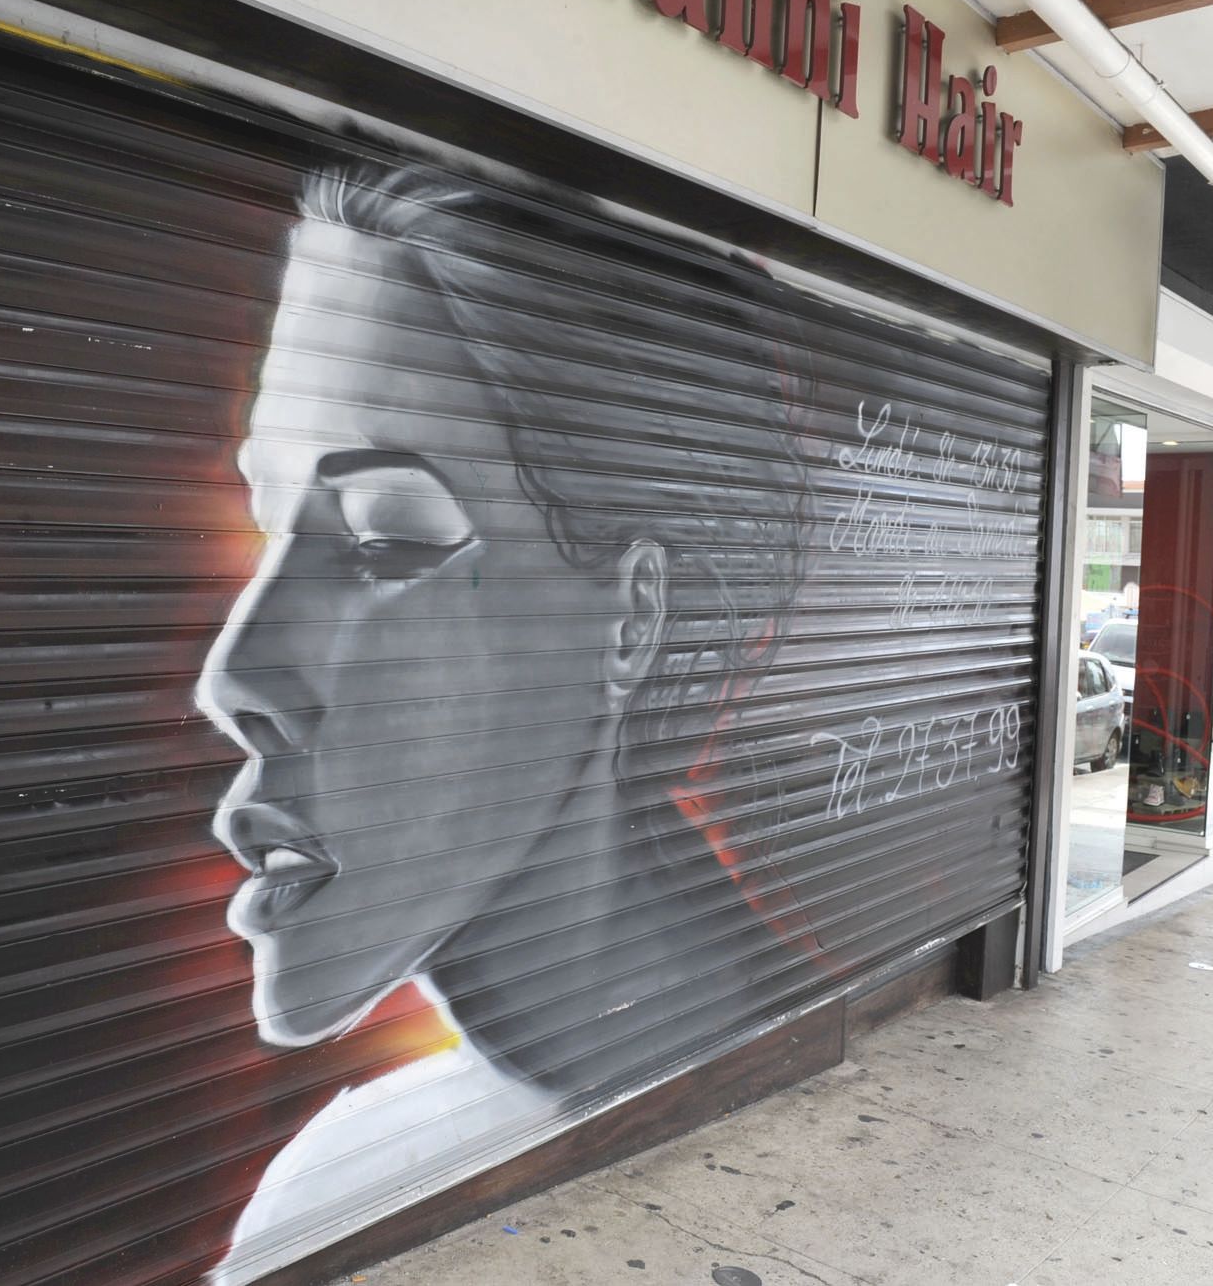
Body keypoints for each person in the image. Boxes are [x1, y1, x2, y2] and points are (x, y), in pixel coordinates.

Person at [195, 162, 817, 1285]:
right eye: (265, 521)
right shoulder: (336, 1180)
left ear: (631, 619)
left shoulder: (345, 1199)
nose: (235, 675)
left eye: (384, 539)